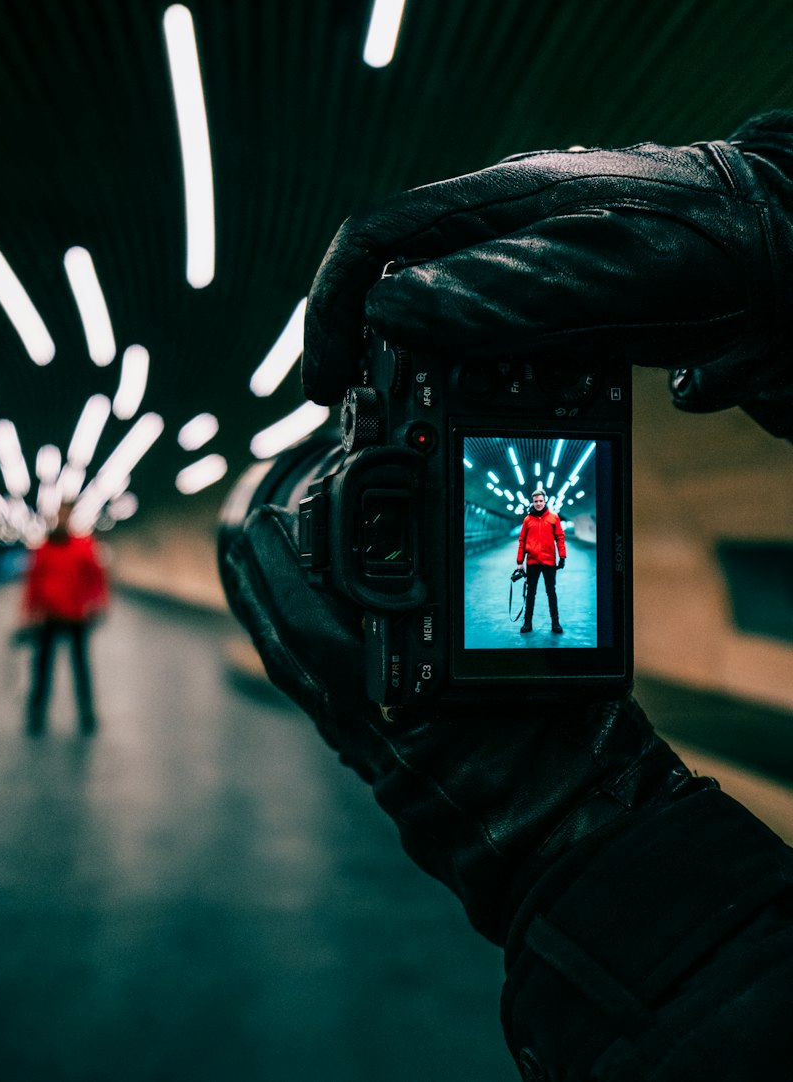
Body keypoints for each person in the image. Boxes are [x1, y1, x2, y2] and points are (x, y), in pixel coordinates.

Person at [221, 112, 793, 1081]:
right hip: (529, 575)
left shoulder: (538, 511)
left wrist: (577, 844)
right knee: (531, 600)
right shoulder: (533, 514)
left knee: (530, 603)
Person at [20, 501, 108, 735]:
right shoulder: (44, 548)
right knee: (42, 669)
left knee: (80, 667)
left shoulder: (84, 545)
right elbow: (33, 583)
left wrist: (97, 602)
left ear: (70, 517)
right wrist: (28, 614)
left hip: (77, 615)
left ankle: (87, 714)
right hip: (48, 616)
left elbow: (96, 578)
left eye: (66, 514)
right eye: (59, 514)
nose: (62, 518)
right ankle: (36, 715)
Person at [516, 489, 567, 633]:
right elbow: (522, 541)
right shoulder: (527, 520)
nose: (538, 504)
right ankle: (527, 623)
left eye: (540, 501)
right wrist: (520, 561)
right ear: (532, 502)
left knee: (551, 592)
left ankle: (555, 623)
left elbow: (560, 538)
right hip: (532, 562)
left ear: (545, 501)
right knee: (530, 593)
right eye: (535, 501)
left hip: (549, 562)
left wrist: (562, 556)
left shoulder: (553, 518)